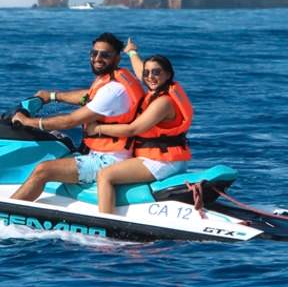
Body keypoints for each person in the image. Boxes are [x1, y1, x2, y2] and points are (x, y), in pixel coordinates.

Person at [10, 33, 144, 201]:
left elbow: (70, 121)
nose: (97, 58)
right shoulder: (115, 79)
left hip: (109, 160)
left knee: (43, 170)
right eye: (94, 53)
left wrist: (27, 121)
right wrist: (51, 96)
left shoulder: (114, 90)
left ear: (117, 58)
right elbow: (87, 96)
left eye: (105, 55)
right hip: (108, 153)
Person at [85, 52, 193, 215]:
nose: (150, 77)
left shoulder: (163, 103)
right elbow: (140, 71)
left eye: (156, 72)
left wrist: (97, 129)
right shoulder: (160, 89)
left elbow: (132, 129)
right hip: (167, 158)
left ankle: (106, 224)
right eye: (147, 73)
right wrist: (132, 52)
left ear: (168, 74)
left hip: (162, 161)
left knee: (105, 175)